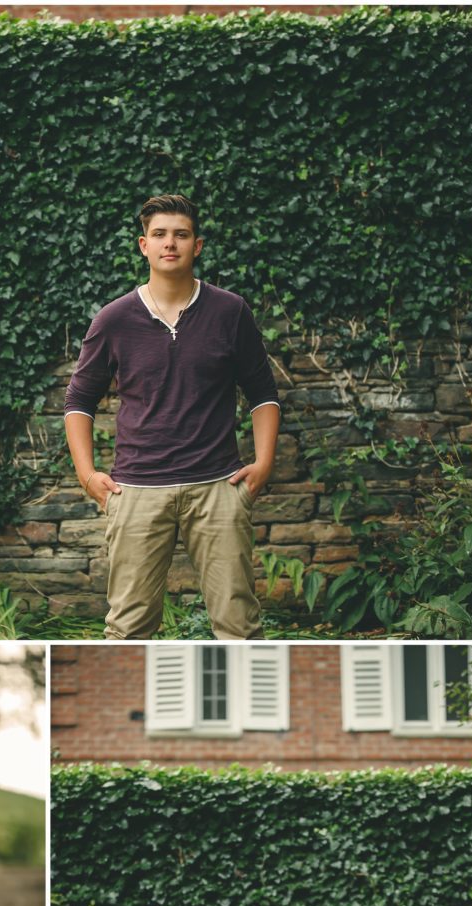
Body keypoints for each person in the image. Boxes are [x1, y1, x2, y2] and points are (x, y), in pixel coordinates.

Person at [64, 192, 280, 640]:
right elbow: (79, 401)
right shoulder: (114, 319)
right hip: (138, 489)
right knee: (128, 629)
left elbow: (263, 394)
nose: (170, 244)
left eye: (181, 235)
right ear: (143, 245)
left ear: (196, 246)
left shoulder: (230, 311)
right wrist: (86, 474)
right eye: (159, 235)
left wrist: (264, 463)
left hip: (217, 487)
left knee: (239, 627)